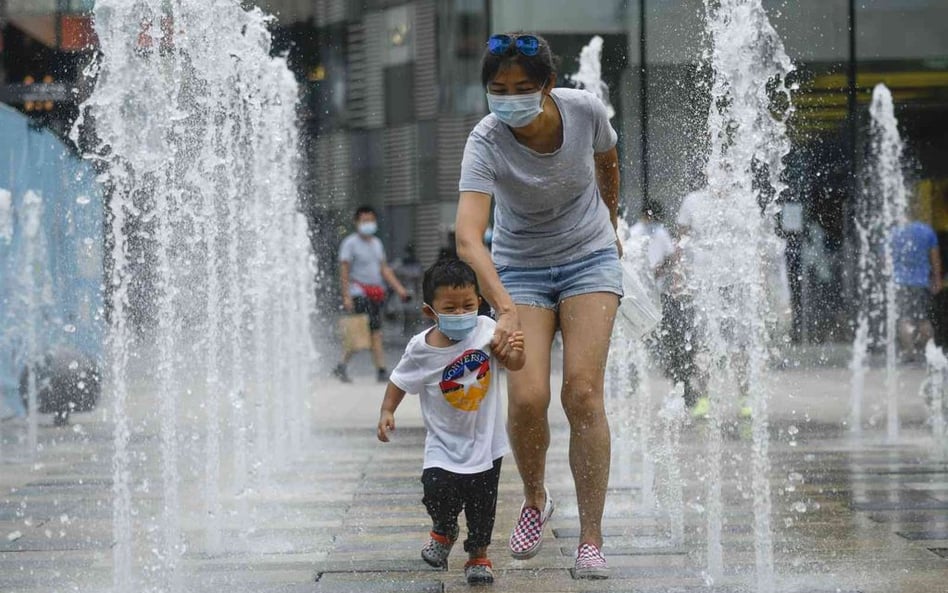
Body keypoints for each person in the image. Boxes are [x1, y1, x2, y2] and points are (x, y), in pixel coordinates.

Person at [454, 32, 622, 579]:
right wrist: (501, 306)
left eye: (522, 88)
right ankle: (534, 499)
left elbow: (609, 163)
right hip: (521, 267)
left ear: (548, 85)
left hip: (588, 259)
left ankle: (591, 540)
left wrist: (613, 227)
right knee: (527, 400)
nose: (508, 99)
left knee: (582, 392)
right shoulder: (485, 141)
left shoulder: (585, 111)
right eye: (497, 89)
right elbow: (468, 239)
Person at [377, 257, 525, 585]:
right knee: (436, 490)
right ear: (431, 311)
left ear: (479, 303)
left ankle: (478, 556)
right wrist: (388, 410)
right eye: (451, 308)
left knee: (482, 506)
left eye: (467, 306)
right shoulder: (420, 348)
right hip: (442, 444)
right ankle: (443, 530)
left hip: (486, 443)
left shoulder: (487, 330)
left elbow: (514, 364)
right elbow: (400, 379)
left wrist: (516, 351)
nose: (461, 314)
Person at [334, 206, 409, 383]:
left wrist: (400, 289)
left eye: (371, 220)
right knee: (369, 332)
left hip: (376, 294)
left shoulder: (376, 243)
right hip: (359, 293)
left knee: (369, 332)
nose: (368, 224)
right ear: (356, 222)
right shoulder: (350, 243)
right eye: (364, 221)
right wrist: (346, 296)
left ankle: (344, 366)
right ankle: (379, 369)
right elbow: (344, 270)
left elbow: (384, 269)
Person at [891, 217, 943, 361]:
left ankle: (909, 353)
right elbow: (935, 258)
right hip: (921, 282)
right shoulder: (926, 231)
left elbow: (885, 258)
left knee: (904, 319)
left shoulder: (895, 232)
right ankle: (929, 351)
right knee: (923, 320)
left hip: (900, 282)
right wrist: (937, 279)